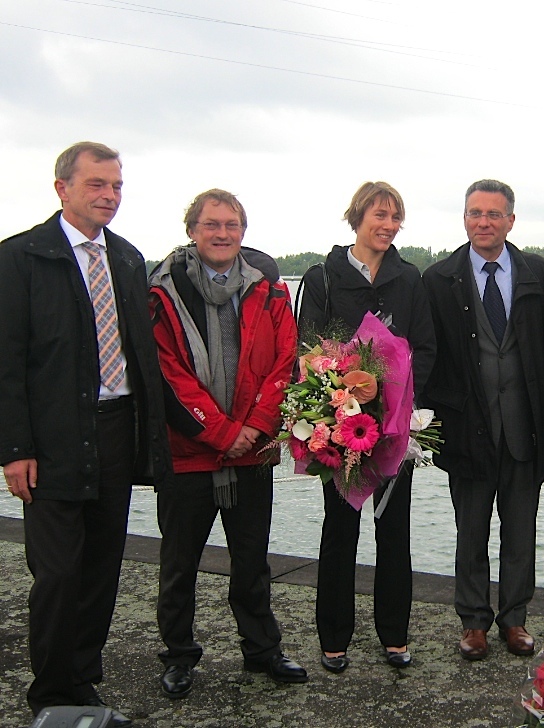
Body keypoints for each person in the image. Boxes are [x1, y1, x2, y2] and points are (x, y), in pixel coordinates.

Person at [0, 142, 171, 725]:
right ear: (62, 188)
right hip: (51, 441)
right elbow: (7, 361)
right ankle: (50, 694)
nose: (109, 196)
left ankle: (82, 682)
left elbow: (142, 357)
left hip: (116, 430)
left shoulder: (126, 258)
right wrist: (15, 449)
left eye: (117, 186)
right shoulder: (21, 258)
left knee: (102, 567)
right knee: (57, 574)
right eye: (97, 184)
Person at [149, 189, 306, 698]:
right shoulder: (162, 293)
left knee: (252, 561)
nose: (222, 234)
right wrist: (221, 433)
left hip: (253, 453)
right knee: (178, 565)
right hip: (189, 454)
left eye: (232, 225)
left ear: (243, 231)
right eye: (212, 224)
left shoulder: (270, 291)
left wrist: (255, 428)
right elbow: (167, 373)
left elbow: (284, 362)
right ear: (192, 229)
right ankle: (178, 656)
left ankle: (261, 649)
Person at [296, 181, 436, 674]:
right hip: (342, 430)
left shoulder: (409, 279)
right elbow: (309, 349)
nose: (389, 225)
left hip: (397, 430)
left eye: (396, 217)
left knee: (394, 531)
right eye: (380, 215)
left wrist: (407, 409)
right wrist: (338, 407)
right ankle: (334, 638)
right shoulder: (323, 277)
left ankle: (394, 636)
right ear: (357, 216)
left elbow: (425, 346)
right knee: (339, 530)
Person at [421, 179, 544, 661]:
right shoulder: (438, 279)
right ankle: (474, 622)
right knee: (471, 532)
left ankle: (515, 620)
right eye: (476, 213)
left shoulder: (539, 273)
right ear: (464, 218)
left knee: (521, 534)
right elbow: (428, 357)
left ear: (511, 221)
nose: (484, 222)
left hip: (526, 429)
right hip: (467, 432)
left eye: (494, 214)